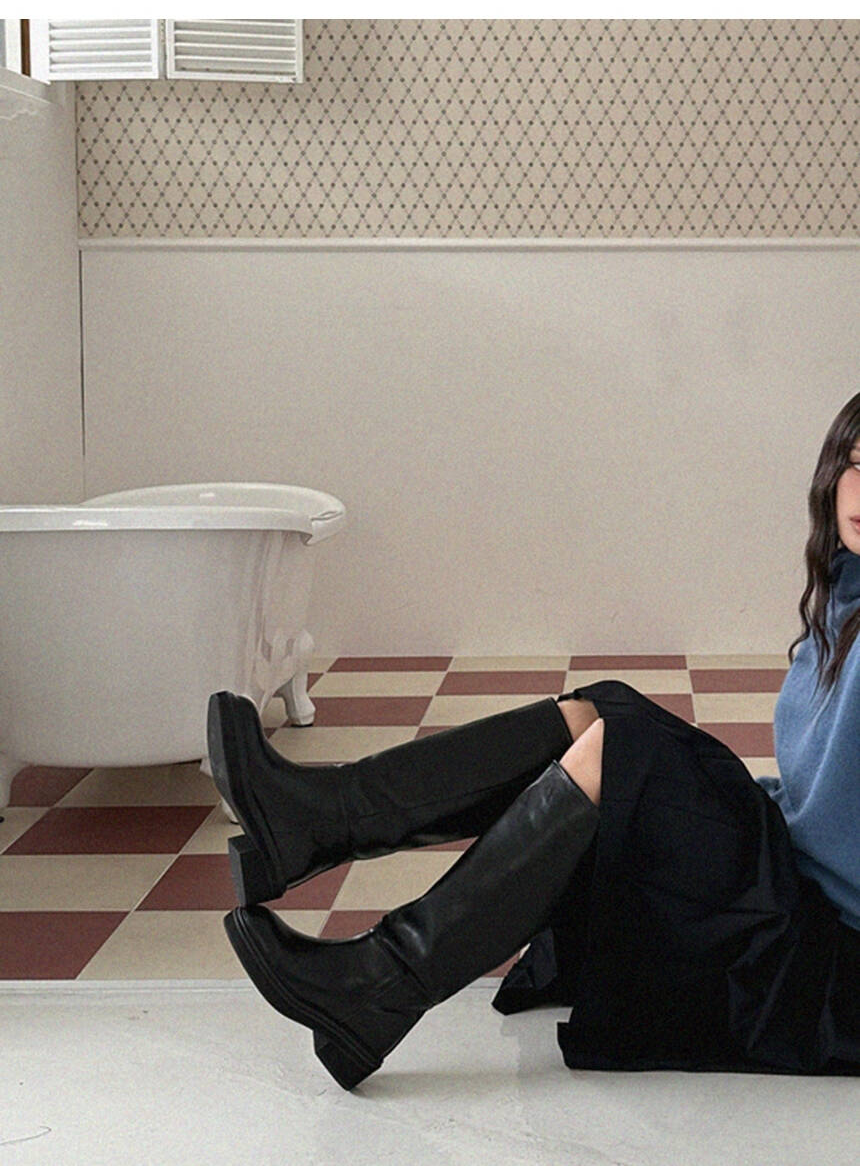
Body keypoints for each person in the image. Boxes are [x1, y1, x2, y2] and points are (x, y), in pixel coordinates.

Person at [203, 382, 860, 1080]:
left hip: (833, 946)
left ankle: (380, 981)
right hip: (801, 872)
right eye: (856, 462)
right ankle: (321, 819)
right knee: (604, 711)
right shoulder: (843, 596)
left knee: (630, 756)